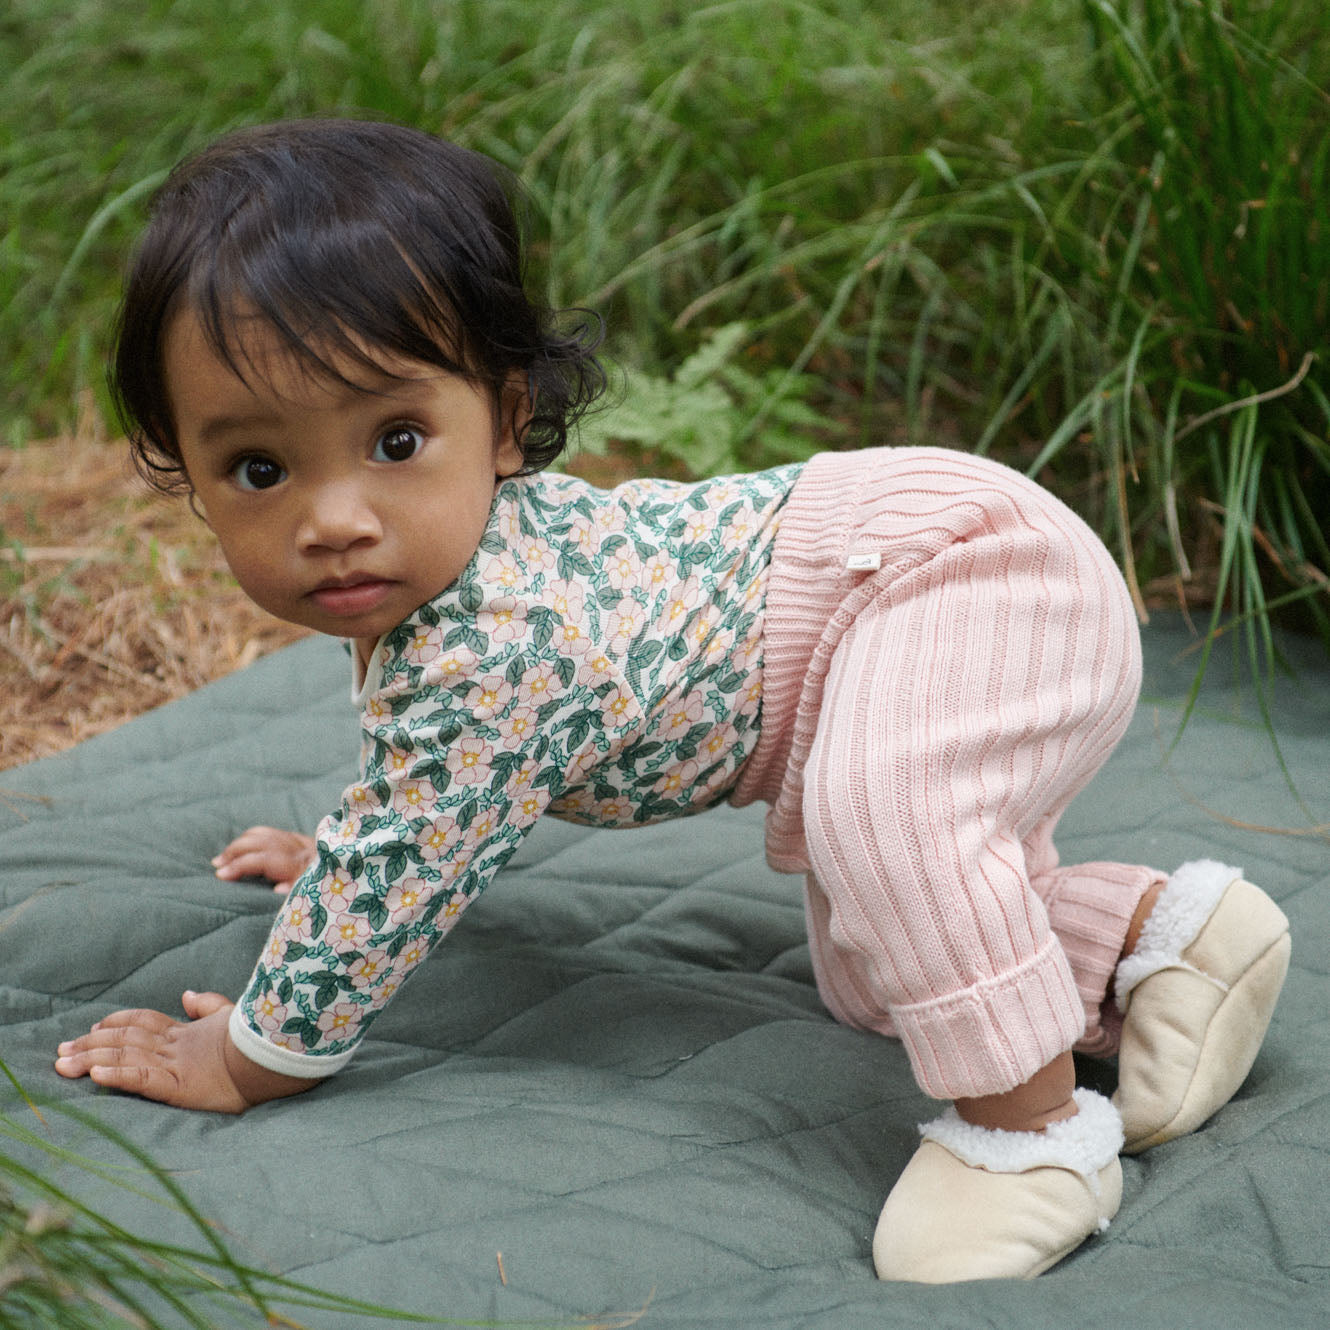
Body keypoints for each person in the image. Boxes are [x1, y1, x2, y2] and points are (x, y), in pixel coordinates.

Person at [53, 118, 1291, 1283]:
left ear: (504, 420)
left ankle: (1029, 1132)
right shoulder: (433, 593)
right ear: (189, 478)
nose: (333, 519)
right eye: (259, 467)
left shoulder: (497, 636)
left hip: (956, 572)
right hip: (886, 615)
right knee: (877, 966)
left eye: (393, 440)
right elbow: (422, 807)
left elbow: (412, 843)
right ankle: (1168, 938)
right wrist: (353, 849)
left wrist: (246, 1053)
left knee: (886, 823)